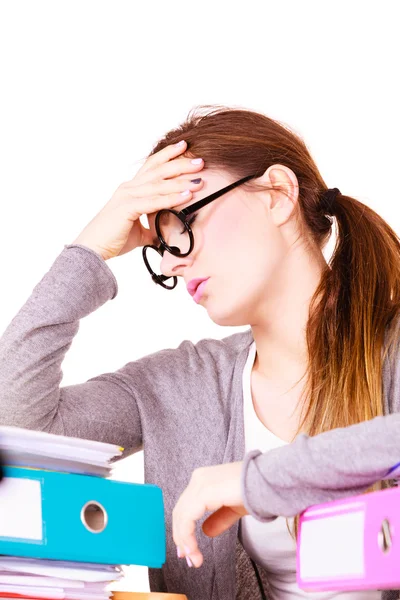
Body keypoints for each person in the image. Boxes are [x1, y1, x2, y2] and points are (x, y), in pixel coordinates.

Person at [0, 105, 400, 600]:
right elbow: (16, 426)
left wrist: (257, 482)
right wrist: (91, 249)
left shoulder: (391, 349)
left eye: (186, 221)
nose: (173, 260)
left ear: (277, 194)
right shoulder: (179, 384)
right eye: (161, 247)